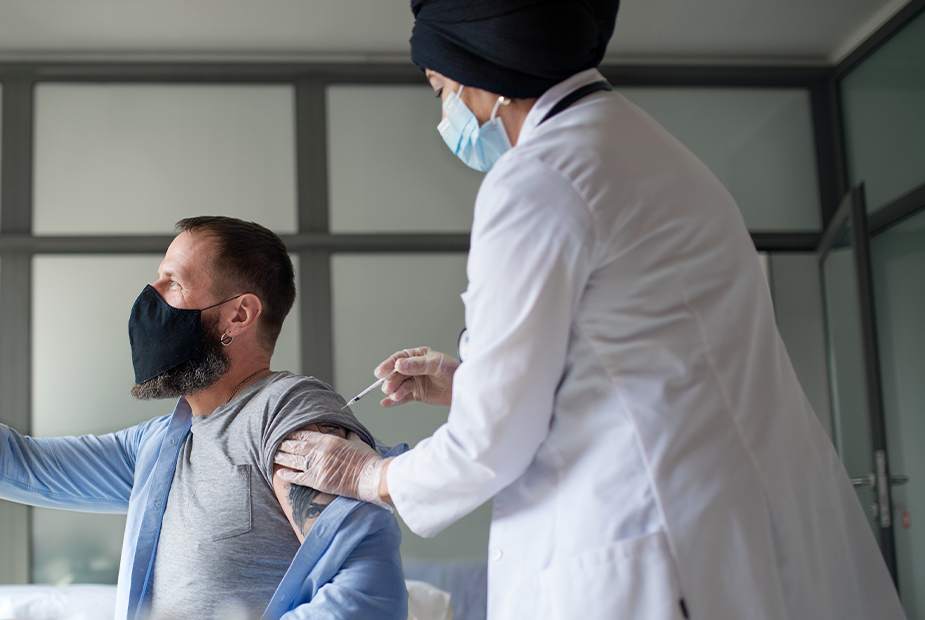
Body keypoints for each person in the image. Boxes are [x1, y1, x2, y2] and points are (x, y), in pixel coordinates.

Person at [274, 1, 908, 619]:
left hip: (649, 547)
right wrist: (468, 382)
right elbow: (648, 361)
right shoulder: (653, 151)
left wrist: (369, 474)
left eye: (440, 88)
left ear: (482, 74)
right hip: (727, 524)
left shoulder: (538, 180)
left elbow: (492, 441)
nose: (445, 112)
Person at [0, 216, 407, 620]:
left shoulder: (287, 412)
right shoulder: (166, 444)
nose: (150, 302)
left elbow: (366, 590)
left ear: (238, 315)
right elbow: (17, 465)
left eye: (172, 285)